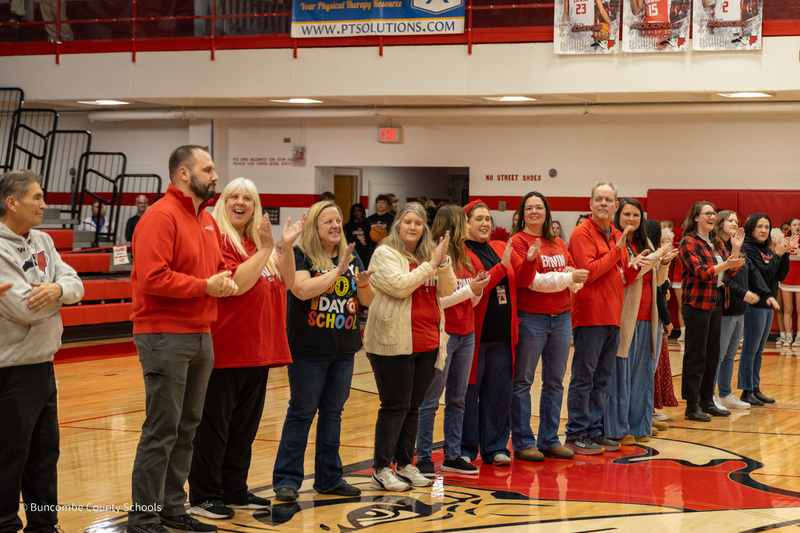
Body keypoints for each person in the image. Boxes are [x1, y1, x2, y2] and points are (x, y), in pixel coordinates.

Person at [128, 145, 239, 533]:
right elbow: (152, 278)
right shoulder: (160, 216)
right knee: (162, 428)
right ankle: (143, 516)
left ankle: (173, 507)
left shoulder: (206, 218)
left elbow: (219, 269)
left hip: (201, 334)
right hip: (164, 335)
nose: (215, 176)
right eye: (208, 169)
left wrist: (221, 281)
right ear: (183, 174)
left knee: (188, 426)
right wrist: (204, 286)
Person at [188, 179, 305, 519]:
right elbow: (235, 284)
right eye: (234, 197)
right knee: (214, 429)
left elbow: (289, 281)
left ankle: (234, 489)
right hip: (225, 350)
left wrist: (282, 246)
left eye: (248, 199)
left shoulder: (258, 242)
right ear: (223, 202)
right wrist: (268, 251)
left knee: (243, 428)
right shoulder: (217, 239)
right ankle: (205, 496)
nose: (240, 202)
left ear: (256, 207)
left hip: (259, 350)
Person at [272, 201, 374, 502]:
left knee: (333, 414)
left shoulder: (351, 254)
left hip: (343, 350)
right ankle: (287, 480)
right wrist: (337, 271)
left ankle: (329, 478)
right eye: (327, 221)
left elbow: (366, 299)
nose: (334, 226)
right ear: (315, 226)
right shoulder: (301, 254)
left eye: (337, 221)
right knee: (301, 412)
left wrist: (364, 283)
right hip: (308, 350)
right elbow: (302, 290)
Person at [0, 169, 83, 533]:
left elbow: (75, 283)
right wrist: (59, 294)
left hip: (44, 364)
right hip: (11, 370)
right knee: (9, 457)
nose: (44, 205)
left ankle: (43, 525)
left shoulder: (44, 240)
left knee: (44, 454)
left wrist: (57, 291)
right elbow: (22, 307)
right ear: (12, 202)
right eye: (37, 197)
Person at [364, 203, 455, 491]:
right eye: (408, 222)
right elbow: (400, 286)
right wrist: (430, 265)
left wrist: (442, 263)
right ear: (397, 226)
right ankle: (381, 468)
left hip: (428, 341)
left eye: (418, 223)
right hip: (393, 343)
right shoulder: (384, 253)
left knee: (413, 406)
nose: (413, 227)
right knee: (395, 405)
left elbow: (447, 290)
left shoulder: (429, 254)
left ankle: (404, 464)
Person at [415, 205, 490, 477]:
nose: (470, 227)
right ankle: (422, 457)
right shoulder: (434, 255)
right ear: (454, 225)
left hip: (467, 334)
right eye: (464, 223)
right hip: (443, 334)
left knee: (458, 400)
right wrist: (471, 289)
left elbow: (472, 301)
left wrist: (477, 289)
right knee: (431, 400)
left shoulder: (468, 257)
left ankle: (452, 455)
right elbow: (439, 300)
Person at [509, 192, 585, 461]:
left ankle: (549, 440)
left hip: (562, 318)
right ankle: (522, 441)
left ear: (546, 211)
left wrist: (572, 278)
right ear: (522, 213)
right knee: (523, 382)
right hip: (530, 317)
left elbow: (574, 276)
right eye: (528, 208)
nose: (534, 212)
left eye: (538, 207)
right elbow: (527, 281)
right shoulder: (517, 241)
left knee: (554, 382)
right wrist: (567, 277)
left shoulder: (558, 242)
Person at [462, 200, 538, 466]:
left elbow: (524, 279)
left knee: (499, 395)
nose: (485, 224)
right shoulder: (462, 253)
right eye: (478, 219)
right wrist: (501, 267)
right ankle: (466, 449)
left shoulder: (499, 247)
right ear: (466, 223)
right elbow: (478, 287)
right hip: (474, 336)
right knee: (470, 396)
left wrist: (529, 262)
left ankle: (495, 447)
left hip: (503, 337)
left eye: (488, 219)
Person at [565, 182, 630, 455]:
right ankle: (576, 433)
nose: (603, 203)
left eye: (609, 199)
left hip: (612, 316)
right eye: (598, 199)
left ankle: (594, 430)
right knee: (584, 378)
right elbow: (589, 271)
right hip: (590, 316)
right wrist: (616, 250)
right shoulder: (582, 233)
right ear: (591, 204)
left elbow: (623, 270)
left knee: (602, 379)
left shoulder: (616, 232)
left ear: (616, 205)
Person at [604, 198, 674, 445]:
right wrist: (654, 258)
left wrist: (662, 263)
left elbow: (656, 282)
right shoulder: (615, 241)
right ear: (617, 216)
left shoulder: (644, 242)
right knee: (621, 375)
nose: (631, 219)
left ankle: (639, 425)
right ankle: (617, 428)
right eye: (626, 215)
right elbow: (624, 278)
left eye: (636, 215)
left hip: (649, 316)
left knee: (643, 375)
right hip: (626, 315)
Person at [678, 202, 744, 422]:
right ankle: (692, 405)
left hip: (715, 302)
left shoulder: (715, 241)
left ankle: (707, 400)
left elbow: (731, 268)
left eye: (714, 213)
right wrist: (727, 263)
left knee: (713, 353)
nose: (712, 216)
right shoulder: (689, 242)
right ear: (696, 217)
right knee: (696, 355)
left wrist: (735, 248)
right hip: (696, 304)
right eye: (707, 213)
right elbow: (702, 272)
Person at [738, 213, 796, 405]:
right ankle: (746, 391)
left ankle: (755, 388)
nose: (764, 231)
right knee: (750, 349)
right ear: (751, 228)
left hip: (767, 305)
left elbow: (779, 275)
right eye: (760, 227)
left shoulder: (765, 249)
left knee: (759, 350)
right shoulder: (747, 248)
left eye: (767, 227)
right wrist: (778, 254)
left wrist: (785, 253)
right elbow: (762, 274)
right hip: (754, 305)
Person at [712, 210, 758, 411]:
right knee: (719, 354)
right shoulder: (716, 246)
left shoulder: (735, 247)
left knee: (730, 355)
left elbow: (739, 276)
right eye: (730, 220)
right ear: (720, 222)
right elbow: (726, 279)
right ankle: (710, 395)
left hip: (739, 308)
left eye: (736, 221)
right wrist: (743, 293)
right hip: (725, 308)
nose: (734, 223)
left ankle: (725, 393)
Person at [777, 218, 800, 347]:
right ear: (790, 227)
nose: (797, 227)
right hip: (787, 279)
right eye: (795, 225)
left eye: (799, 225)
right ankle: (788, 337)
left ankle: (799, 338)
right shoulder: (784, 241)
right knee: (788, 309)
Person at [365, 194, 394, 262]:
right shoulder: (369, 219)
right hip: (372, 249)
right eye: (379, 202)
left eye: (384, 203)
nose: (381, 204)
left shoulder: (392, 219)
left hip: (386, 248)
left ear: (388, 205)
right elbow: (366, 235)